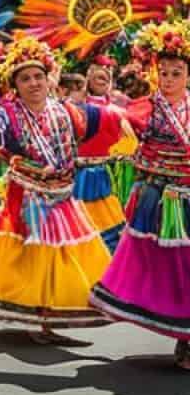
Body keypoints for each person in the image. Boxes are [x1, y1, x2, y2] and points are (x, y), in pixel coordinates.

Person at [0, 38, 128, 342]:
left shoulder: (68, 112)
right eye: (25, 78)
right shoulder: (8, 116)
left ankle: (51, 317)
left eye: (38, 76)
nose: (33, 83)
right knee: (37, 255)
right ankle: (40, 318)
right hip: (28, 194)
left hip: (64, 193)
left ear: (49, 78)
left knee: (67, 254)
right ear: (15, 85)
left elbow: (102, 123)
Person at [90, 21, 190, 368]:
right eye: (163, 72)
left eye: (177, 72)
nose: (169, 79)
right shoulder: (143, 108)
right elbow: (111, 124)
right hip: (160, 201)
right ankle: (183, 335)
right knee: (172, 269)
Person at [70, 55, 129, 253]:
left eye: (106, 77)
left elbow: (130, 144)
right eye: (98, 76)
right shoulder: (76, 108)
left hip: (107, 174)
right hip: (83, 174)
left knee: (102, 224)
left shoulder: (116, 111)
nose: (103, 80)